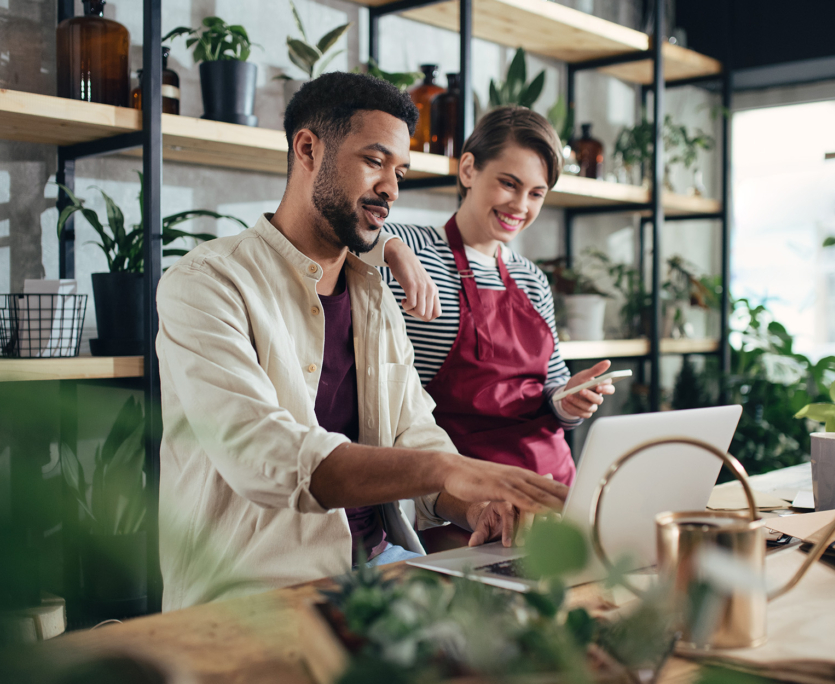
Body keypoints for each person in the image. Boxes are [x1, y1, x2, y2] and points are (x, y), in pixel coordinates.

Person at [155, 74, 569, 611]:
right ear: (308, 149)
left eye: (399, 172)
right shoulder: (207, 283)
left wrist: (472, 506)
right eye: (375, 162)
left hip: (381, 570)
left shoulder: (373, 293)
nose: (392, 190)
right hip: (256, 597)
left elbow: (414, 432)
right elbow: (263, 455)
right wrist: (451, 469)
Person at [365, 106, 615, 496]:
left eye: (536, 193)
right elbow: (339, 231)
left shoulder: (532, 278)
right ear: (468, 170)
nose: (520, 206)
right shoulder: (412, 247)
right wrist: (392, 247)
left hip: (553, 484)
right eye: (509, 184)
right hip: (462, 492)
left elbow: (550, 388)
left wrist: (570, 400)